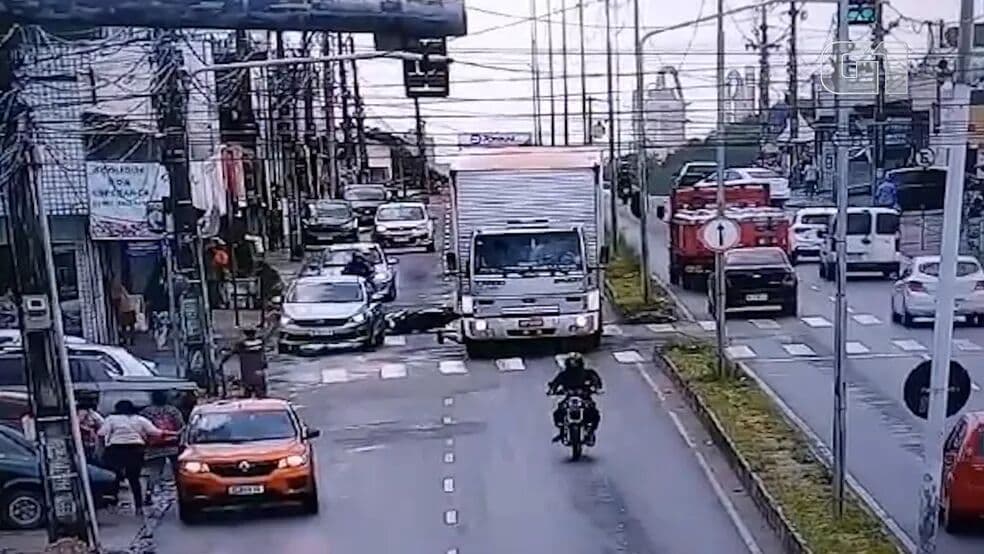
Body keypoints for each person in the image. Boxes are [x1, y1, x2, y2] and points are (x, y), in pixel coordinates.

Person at [98, 400, 176, 516]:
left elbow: (101, 433)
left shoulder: (111, 419)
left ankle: (112, 502)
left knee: (113, 476)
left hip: (116, 450)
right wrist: (173, 434)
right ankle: (138, 507)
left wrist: (101, 449)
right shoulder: (139, 419)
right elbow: (155, 432)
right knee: (134, 479)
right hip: (135, 450)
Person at [547, 352, 603, 445]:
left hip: (584, 398)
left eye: (576, 362)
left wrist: (596, 389)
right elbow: (555, 383)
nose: (574, 365)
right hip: (569, 398)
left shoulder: (588, 373)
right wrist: (552, 390)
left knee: (594, 413)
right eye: (572, 362)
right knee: (558, 412)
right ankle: (562, 430)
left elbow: (596, 381)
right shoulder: (564, 375)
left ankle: (590, 431)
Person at [140, 391, 184, 505]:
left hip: (154, 446)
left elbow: (142, 429)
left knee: (154, 472)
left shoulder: (146, 412)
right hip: (173, 445)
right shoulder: (173, 410)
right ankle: (182, 493)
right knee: (178, 471)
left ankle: (149, 493)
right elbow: (181, 426)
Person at [76, 390, 105, 465]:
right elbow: (77, 424)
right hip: (85, 436)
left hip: (92, 437)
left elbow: (101, 423)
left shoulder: (91, 412)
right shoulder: (82, 412)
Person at [111, 279, 138, 346]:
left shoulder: (118, 291)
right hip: (128, 309)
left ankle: (126, 340)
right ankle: (129, 340)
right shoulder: (122, 290)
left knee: (125, 327)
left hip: (125, 310)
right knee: (129, 327)